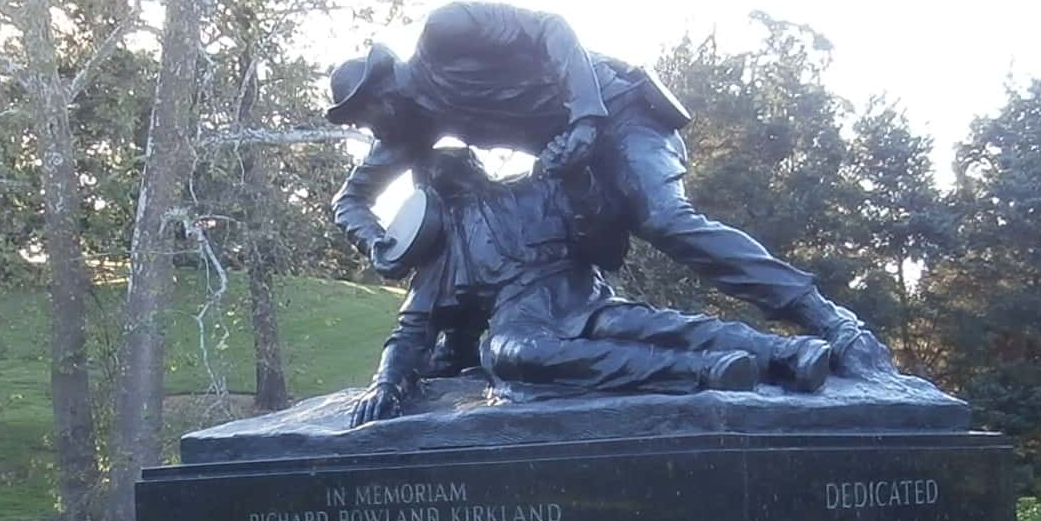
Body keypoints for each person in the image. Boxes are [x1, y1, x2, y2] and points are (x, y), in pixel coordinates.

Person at [328, 0, 898, 378]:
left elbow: (551, 30)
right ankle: (460, 342)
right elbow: (349, 201)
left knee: (663, 218)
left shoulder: (446, 32)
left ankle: (827, 320)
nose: (365, 130)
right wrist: (381, 243)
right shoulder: (413, 128)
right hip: (571, 155)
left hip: (616, 108)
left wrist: (584, 118)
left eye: (361, 116)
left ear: (383, 90)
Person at [350, 139, 834, 423]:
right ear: (433, 194)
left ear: (478, 167)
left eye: (461, 165)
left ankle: (788, 353)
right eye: (442, 177)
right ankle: (708, 371)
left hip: (583, 294)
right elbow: (412, 328)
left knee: (659, 325)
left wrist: (580, 184)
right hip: (525, 320)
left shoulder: (538, 188)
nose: (454, 175)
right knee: (512, 354)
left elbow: (604, 242)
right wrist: (386, 384)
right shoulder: (447, 244)